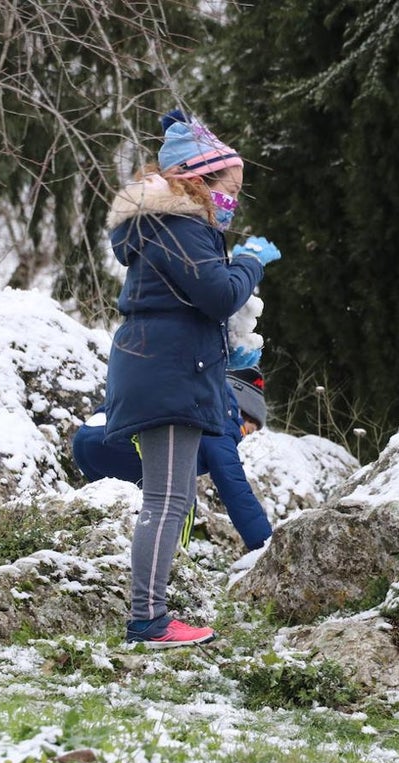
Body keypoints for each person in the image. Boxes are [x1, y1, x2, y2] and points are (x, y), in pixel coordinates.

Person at [103, 109, 281, 649]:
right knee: (166, 501)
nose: (234, 200)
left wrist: (230, 343)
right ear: (199, 181)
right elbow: (216, 293)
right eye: (231, 188)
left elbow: (191, 304)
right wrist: (249, 263)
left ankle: (150, 616)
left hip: (165, 366)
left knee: (168, 497)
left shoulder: (167, 228)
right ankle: (147, 621)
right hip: (169, 376)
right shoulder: (181, 228)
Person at [71, 367, 273, 552]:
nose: (243, 436)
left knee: (130, 503)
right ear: (239, 410)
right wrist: (266, 546)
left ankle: (106, 546)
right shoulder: (221, 420)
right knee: (183, 495)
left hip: (88, 437)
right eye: (247, 429)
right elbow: (235, 489)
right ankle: (175, 563)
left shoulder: (194, 393)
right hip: (119, 444)